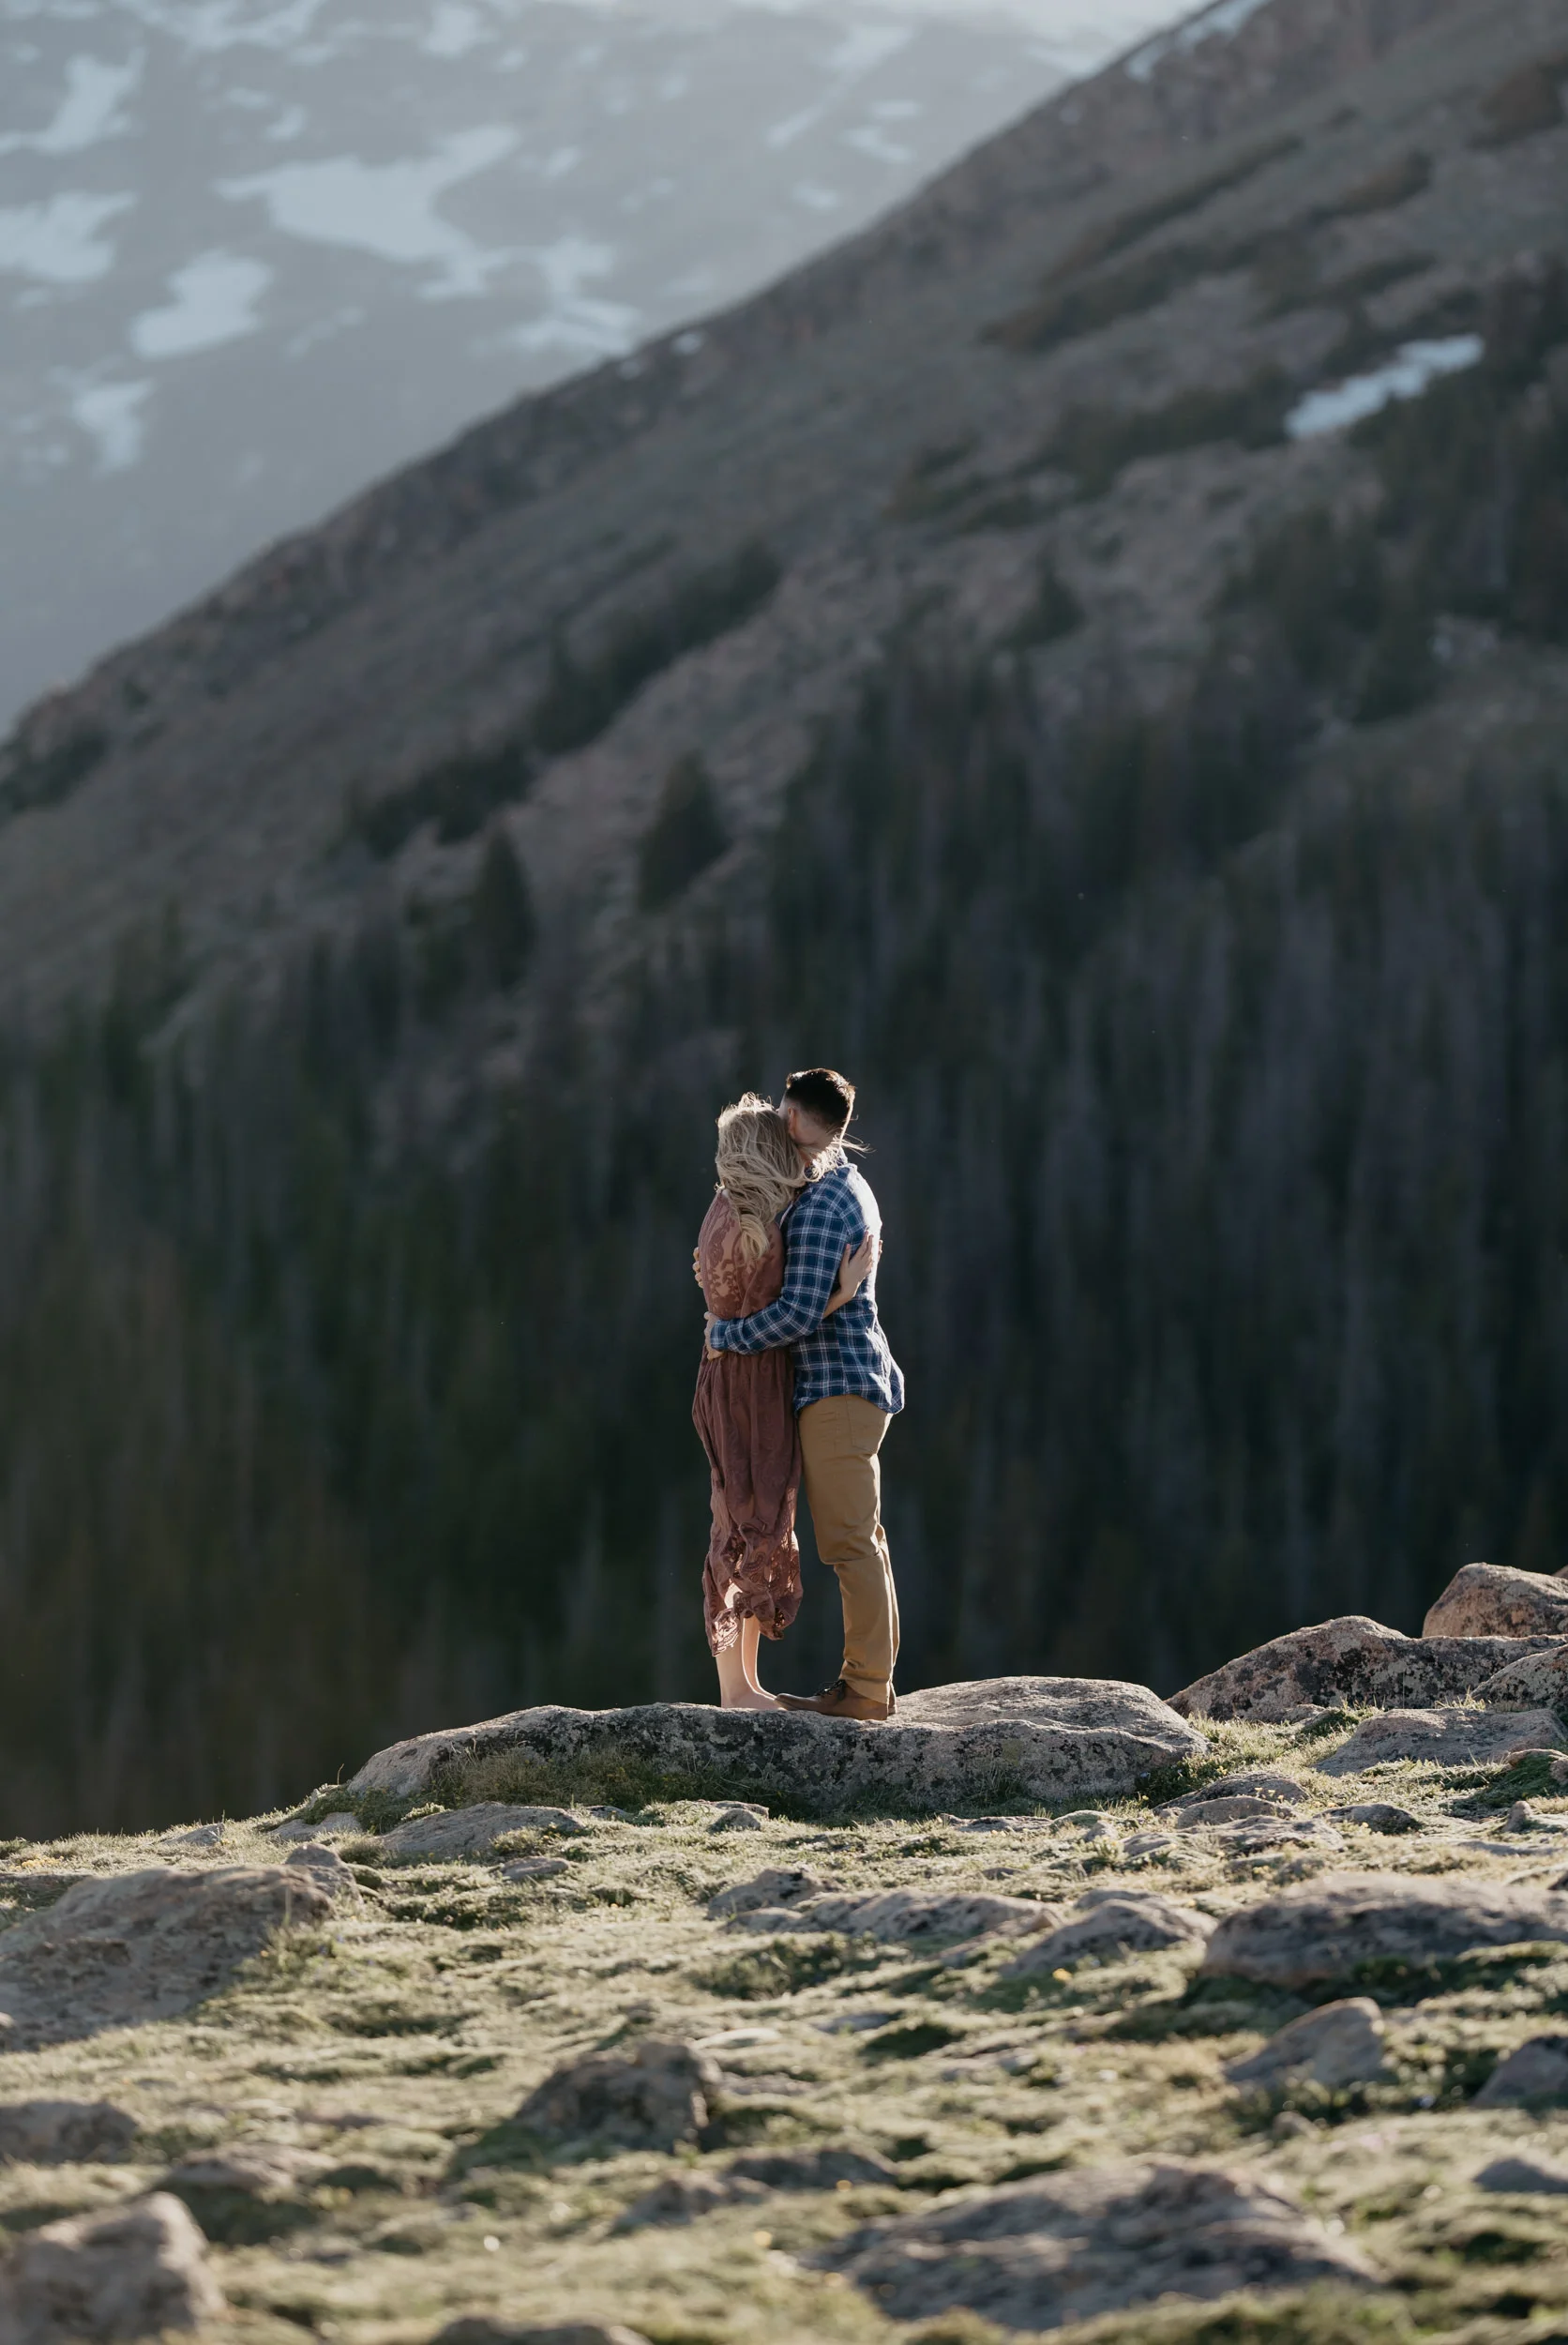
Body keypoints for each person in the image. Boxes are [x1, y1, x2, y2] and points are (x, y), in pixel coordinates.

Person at [704, 1068, 904, 1721]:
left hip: (836, 1386)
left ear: (798, 1119)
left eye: (786, 1114)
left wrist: (727, 1334)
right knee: (859, 1539)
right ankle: (865, 1684)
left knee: (849, 1542)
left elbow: (795, 1313)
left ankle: (866, 1691)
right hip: (836, 1385)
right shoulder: (837, 1186)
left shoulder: (822, 1204)